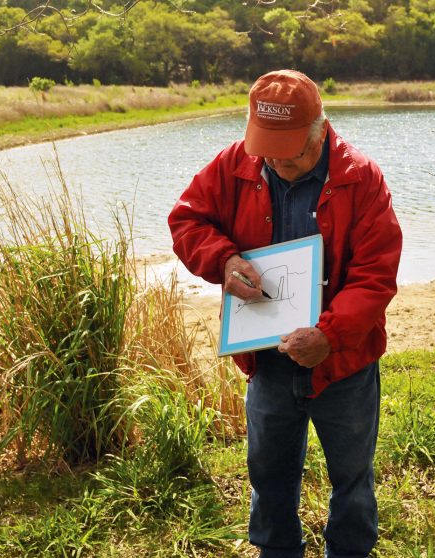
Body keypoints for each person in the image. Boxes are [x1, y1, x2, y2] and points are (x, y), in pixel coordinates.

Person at [168, 69, 402, 558]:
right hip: (266, 361)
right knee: (268, 479)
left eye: (291, 148)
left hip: (344, 363)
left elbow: (374, 276)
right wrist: (224, 259)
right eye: (267, 146)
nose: (276, 160)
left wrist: (330, 335)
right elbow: (187, 219)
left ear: (321, 127)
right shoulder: (235, 163)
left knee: (352, 481)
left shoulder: (362, 177)